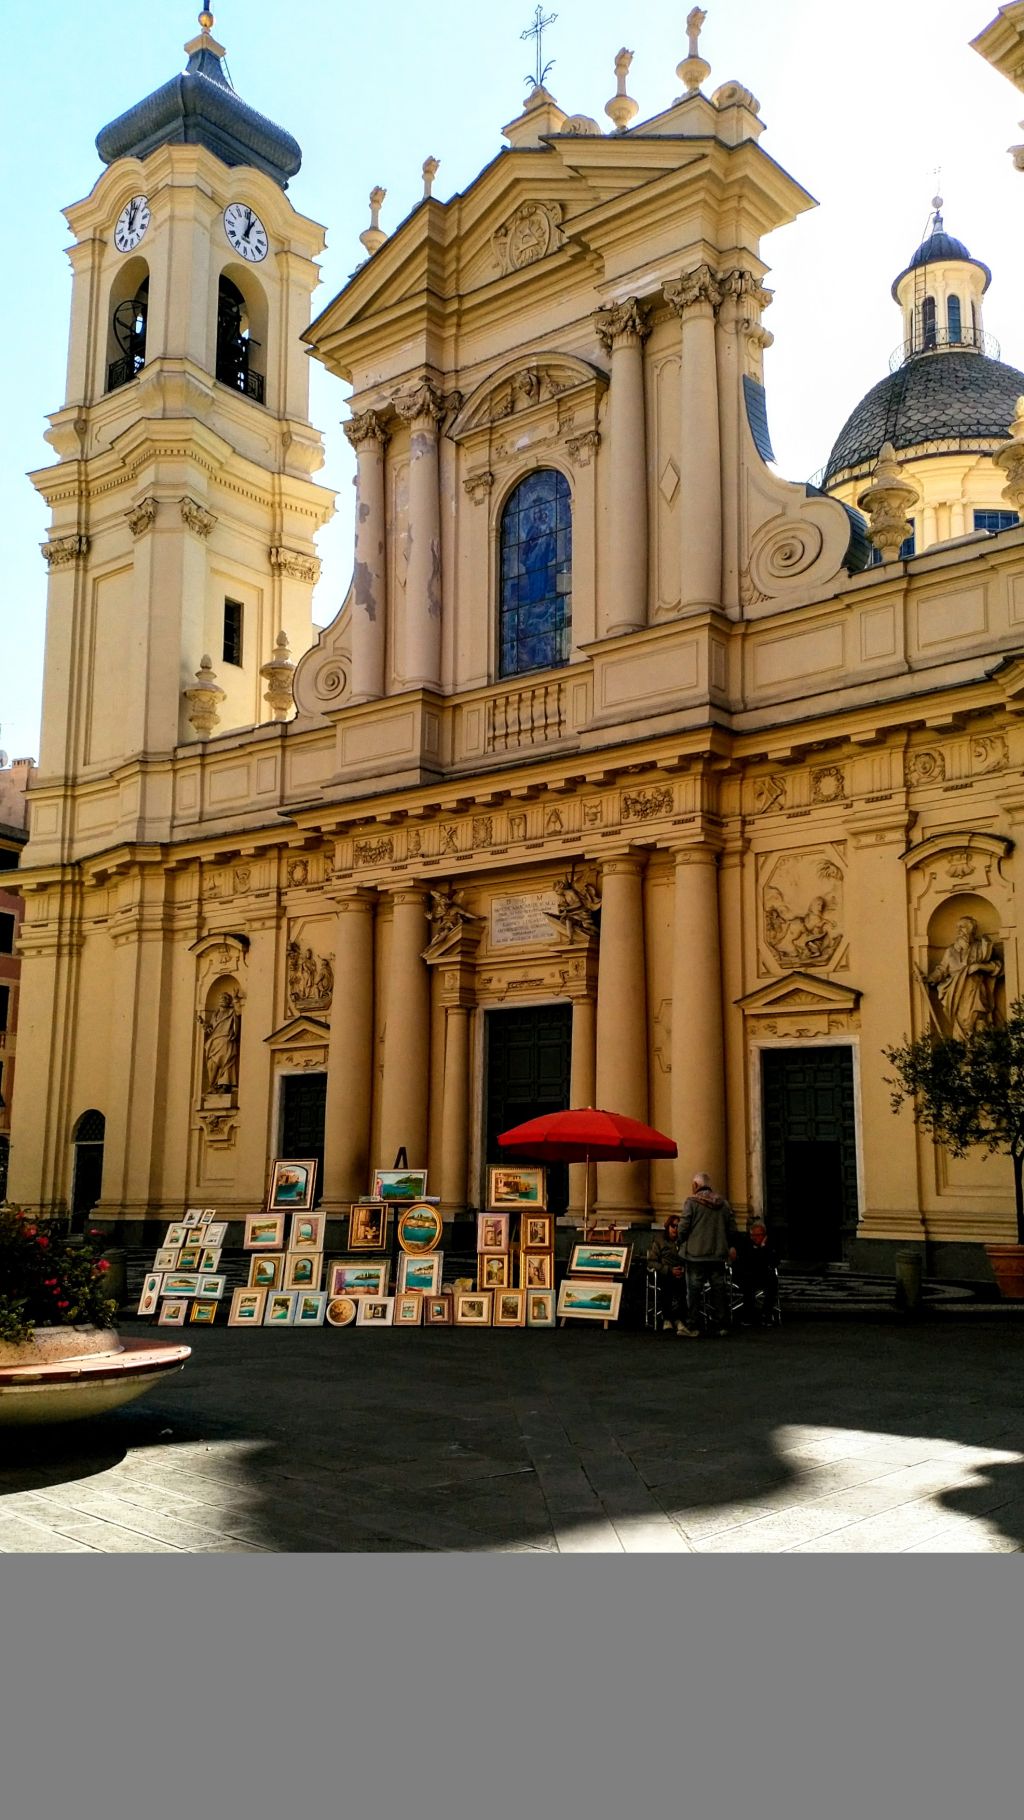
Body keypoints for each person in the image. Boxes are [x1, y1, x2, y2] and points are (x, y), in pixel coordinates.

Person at [678, 1172, 738, 1336]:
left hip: (695, 1254)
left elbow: (683, 1227)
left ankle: (693, 1326)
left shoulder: (691, 1202)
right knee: (719, 1290)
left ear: (696, 1185)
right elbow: (732, 1228)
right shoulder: (724, 1204)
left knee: (694, 1291)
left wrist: (681, 1241)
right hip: (718, 1254)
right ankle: (721, 1325)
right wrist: (728, 1245)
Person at [648, 1213, 696, 1337]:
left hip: (682, 1272)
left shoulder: (684, 1242)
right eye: (673, 1226)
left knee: (685, 1287)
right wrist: (669, 1270)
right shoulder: (659, 1241)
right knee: (668, 1285)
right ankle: (668, 1318)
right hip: (665, 1272)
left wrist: (683, 1269)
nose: (675, 1229)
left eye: (678, 1226)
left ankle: (680, 1319)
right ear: (668, 1227)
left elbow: (690, 1258)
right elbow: (652, 1261)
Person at [734, 1220, 779, 1329]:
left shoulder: (770, 1245)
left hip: (763, 1275)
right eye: (752, 1235)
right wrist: (760, 1252)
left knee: (772, 1282)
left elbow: (774, 1262)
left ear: (764, 1235)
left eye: (758, 1235)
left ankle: (766, 1313)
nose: (754, 1238)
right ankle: (749, 1316)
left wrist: (763, 1247)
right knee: (748, 1283)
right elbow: (749, 1262)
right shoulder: (745, 1245)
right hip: (747, 1275)